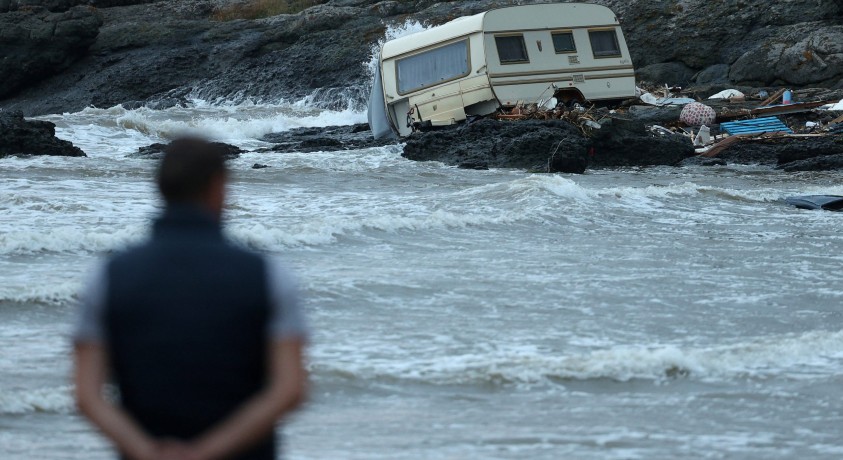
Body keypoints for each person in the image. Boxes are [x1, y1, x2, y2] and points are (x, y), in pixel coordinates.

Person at [73, 137, 308, 460]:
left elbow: (88, 396)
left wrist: (147, 450)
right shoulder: (266, 274)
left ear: (160, 189)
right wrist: (204, 452)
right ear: (218, 186)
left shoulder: (109, 275)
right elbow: (289, 389)